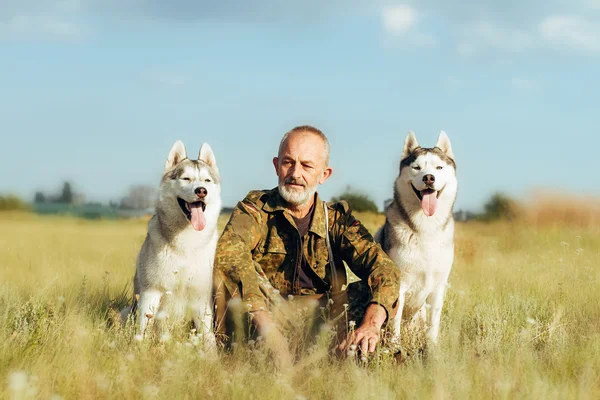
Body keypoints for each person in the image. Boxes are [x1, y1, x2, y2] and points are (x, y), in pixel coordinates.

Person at [214, 125, 400, 365]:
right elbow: (229, 253)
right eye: (288, 162)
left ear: (324, 174)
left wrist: (370, 324)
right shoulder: (254, 210)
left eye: (307, 165)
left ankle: (355, 348)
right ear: (276, 165)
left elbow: (384, 269)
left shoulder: (337, 219)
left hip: (320, 318)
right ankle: (265, 351)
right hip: (263, 316)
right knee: (238, 270)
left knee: (370, 292)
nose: (295, 173)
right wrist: (268, 328)